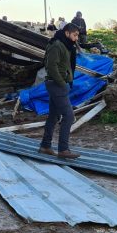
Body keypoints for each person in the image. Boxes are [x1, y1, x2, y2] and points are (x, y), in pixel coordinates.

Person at [39, 22, 81, 159]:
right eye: (74, 35)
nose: (76, 38)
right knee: (69, 116)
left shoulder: (65, 45)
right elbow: (51, 66)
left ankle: (45, 146)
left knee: (54, 116)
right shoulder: (57, 45)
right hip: (56, 85)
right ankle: (63, 150)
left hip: (58, 84)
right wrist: (63, 83)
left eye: (77, 36)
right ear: (67, 33)